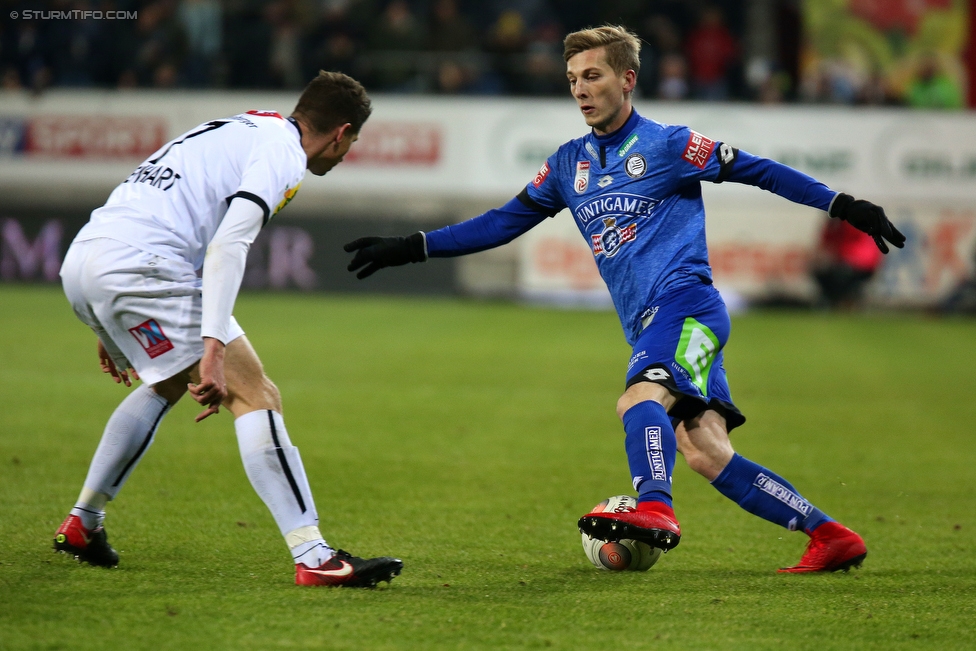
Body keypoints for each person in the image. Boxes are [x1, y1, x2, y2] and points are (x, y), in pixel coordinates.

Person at [343, 26, 905, 573]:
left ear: (627, 79)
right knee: (705, 449)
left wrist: (842, 204)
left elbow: (758, 170)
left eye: (593, 75)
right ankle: (831, 536)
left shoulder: (670, 145)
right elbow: (502, 222)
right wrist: (415, 245)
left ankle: (656, 507)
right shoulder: (568, 164)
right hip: (652, 321)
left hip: (687, 306)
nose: (581, 89)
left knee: (639, 399)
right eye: (572, 79)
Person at [55, 71, 403, 588]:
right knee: (256, 394)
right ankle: (313, 556)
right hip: (143, 265)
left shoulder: (237, 126)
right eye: (352, 143)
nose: (346, 153)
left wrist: (104, 322)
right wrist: (214, 347)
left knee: (168, 380)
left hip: (86, 258)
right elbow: (228, 245)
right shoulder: (284, 153)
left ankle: (83, 522)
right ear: (341, 132)